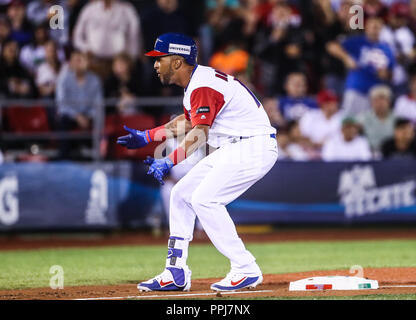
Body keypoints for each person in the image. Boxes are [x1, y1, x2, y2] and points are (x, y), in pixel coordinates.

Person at [117, 33, 277, 292]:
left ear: (178, 62)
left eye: (160, 58)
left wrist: (168, 161)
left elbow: (200, 132)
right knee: (180, 194)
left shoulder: (202, 85)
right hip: (237, 146)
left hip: (252, 145)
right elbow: (188, 121)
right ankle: (175, 271)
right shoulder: (198, 82)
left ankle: (245, 267)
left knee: (205, 199)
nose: (155, 64)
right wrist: (148, 136)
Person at [327, 15, 395, 115]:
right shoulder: (357, 41)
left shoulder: (386, 48)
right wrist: (346, 58)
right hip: (356, 90)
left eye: (378, 27)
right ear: (366, 28)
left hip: (374, 95)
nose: (375, 30)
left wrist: (386, 74)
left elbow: (391, 74)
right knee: (349, 120)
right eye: (373, 26)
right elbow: (331, 46)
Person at [73, 0, 141, 79]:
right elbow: (77, 36)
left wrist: (129, 60)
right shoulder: (89, 10)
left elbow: (135, 37)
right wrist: (86, 49)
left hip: (119, 65)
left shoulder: (127, 10)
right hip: (94, 63)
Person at [55, 50, 103, 160]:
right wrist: (77, 116)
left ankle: (96, 157)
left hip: (88, 116)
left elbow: (98, 105)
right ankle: (63, 159)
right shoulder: (64, 78)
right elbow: (61, 104)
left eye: (81, 60)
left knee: (99, 119)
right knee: (63, 120)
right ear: (71, 63)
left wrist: (87, 116)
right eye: (76, 60)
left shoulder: (95, 80)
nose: (79, 63)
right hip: (70, 116)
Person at [356, 84, 395, 154]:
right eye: (376, 100)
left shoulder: (397, 118)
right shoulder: (362, 118)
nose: (380, 103)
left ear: (389, 101)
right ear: (371, 102)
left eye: (382, 99)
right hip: (369, 153)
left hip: (391, 154)